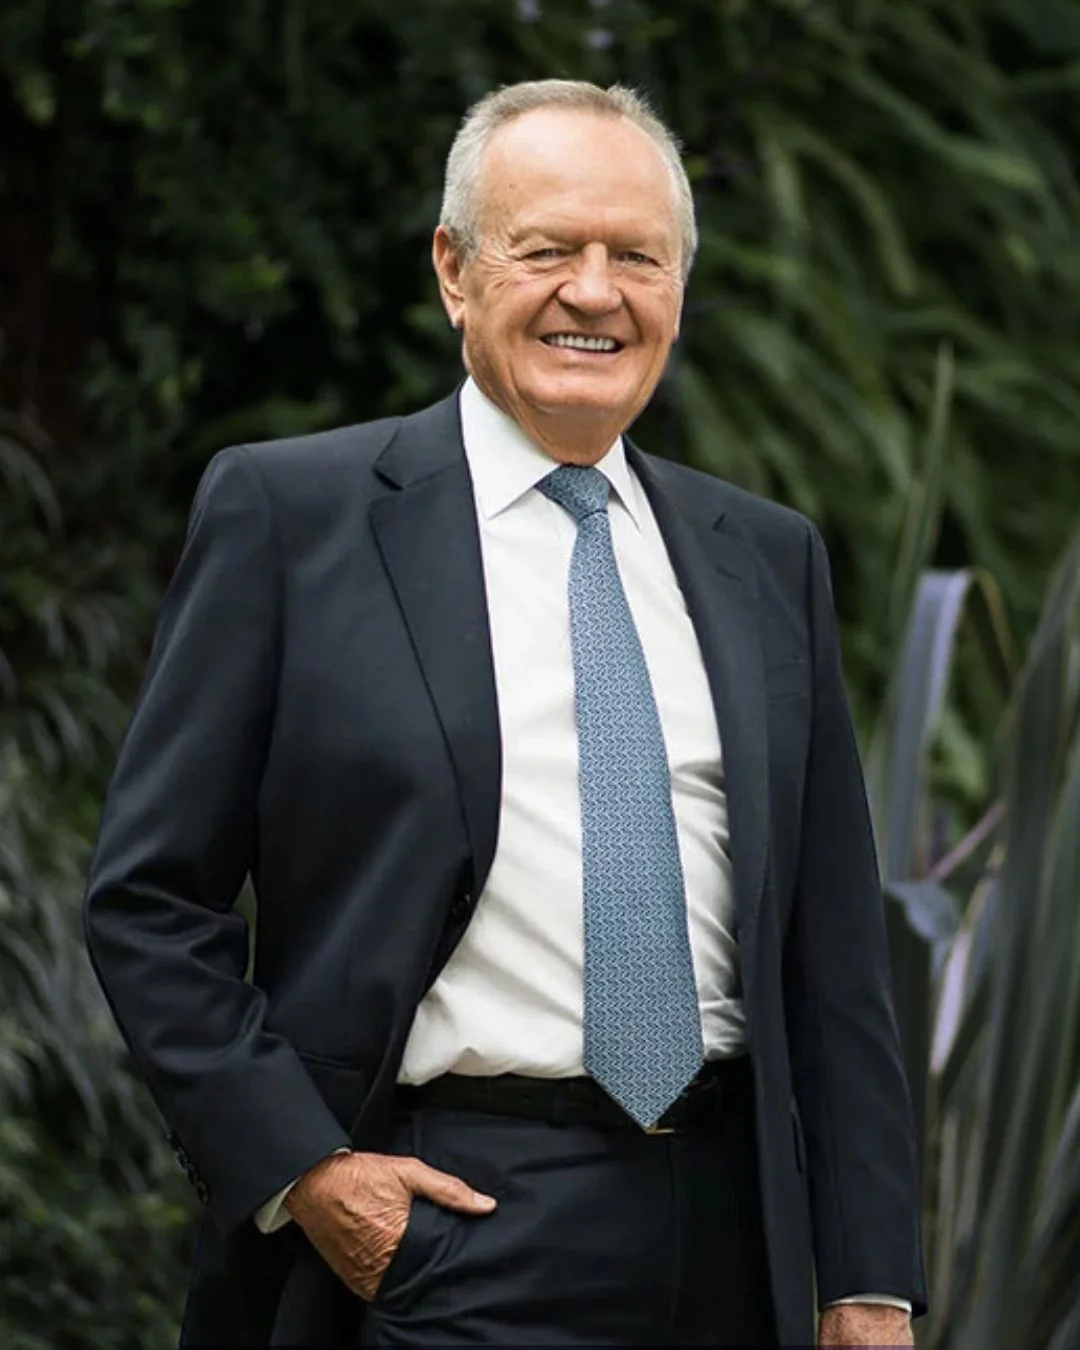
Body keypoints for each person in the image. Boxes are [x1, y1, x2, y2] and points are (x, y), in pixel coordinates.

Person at [84, 79, 926, 1347]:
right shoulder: (291, 521)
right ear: (454, 270)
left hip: (736, 1236)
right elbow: (149, 900)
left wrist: (868, 1279)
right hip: (449, 1225)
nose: (595, 292)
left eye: (636, 257)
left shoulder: (763, 557)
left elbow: (833, 953)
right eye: (546, 250)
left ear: (679, 287)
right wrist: (309, 1174)